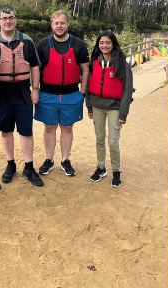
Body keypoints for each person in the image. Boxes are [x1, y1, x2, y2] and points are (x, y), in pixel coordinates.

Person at [0, 5, 43, 187]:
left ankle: (29, 166)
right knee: (6, 130)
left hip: (22, 90)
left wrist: (35, 89)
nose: (8, 21)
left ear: (15, 19)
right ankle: (10, 164)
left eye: (11, 17)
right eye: (4, 18)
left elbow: (34, 65)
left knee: (26, 131)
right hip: (1, 91)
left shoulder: (26, 41)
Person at [34, 10, 90, 177]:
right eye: (56, 23)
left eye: (62, 23)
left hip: (71, 95)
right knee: (49, 128)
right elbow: (35, 69)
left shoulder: (78, 44)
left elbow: (85, 69)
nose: (59, 26)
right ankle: (49, 160)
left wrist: (83, 93)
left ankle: (65, 160)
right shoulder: (43, 44)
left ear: (67, 24)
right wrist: (35, 90)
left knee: (67, 128)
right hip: (47, 95)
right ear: (52, 25)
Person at [85, 30, 134, 188]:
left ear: (113, 45)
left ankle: (116, 171)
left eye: (107, 42)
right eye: (101, 43)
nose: (104, 45)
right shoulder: (93, 63)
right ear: (98, 45)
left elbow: (127, 89)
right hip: (97, 106)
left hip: (114, 107)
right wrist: (89, 105)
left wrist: (123, 113)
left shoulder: (122, 64)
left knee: (113, 142)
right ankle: (101, 168)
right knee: (99, 139)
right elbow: (87, 85)